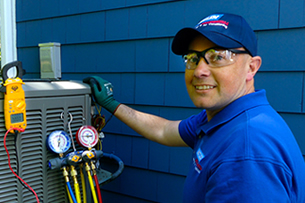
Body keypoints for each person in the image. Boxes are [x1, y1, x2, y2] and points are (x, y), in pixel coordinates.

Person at [84, 13, 305, 202]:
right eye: (192, 58)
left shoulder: (245, 152)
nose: (199, 71)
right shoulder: (225, 117)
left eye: (217, 56)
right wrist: (112, 105)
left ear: (251, 67)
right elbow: (164, 130)